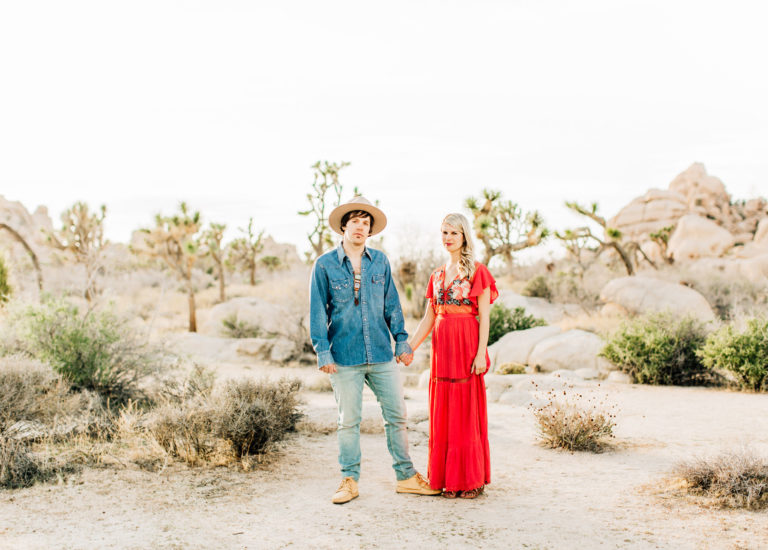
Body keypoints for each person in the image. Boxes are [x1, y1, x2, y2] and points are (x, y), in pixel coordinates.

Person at [309, 195, 441, 504]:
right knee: (348, 421)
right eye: (354, 221)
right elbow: (317, 311)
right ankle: (349, 481)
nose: (360, 227)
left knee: (397, 415)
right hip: (344, 356)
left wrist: (402, 339)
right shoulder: (325, 265)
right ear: (344, 226)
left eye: (365, 223)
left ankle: (406, 477)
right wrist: (323, 352)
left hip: (382, 353)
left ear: (370, 231)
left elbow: (392, 304)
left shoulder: (379, 261)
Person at [407, 212, 497, 499]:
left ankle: (469, 480)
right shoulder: (436, 275)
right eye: (444, 232)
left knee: (465, 410)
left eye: (453, 233)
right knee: (444, 409)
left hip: (467, 343)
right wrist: (410, 347)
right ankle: (447, 478)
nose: (448, 238)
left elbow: (485, 317)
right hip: (442, 349)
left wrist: (481, 353)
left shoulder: (477, 272)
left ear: (464, 236)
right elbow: (428, 318)